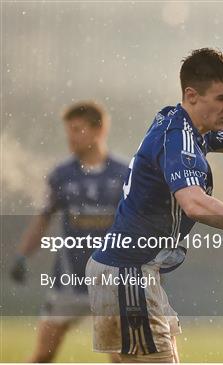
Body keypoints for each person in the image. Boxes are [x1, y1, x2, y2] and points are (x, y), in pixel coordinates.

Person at [85, 48, 223, 363]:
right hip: (129, 274)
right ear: (191, 95)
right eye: (222, 98)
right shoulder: (178, 138)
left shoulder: (185, 124)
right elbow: (194, 204)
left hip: (127, 271)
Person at [10, 101, 127, 362]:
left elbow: (140, 224)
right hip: (68, 281)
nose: (70, 137)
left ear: (99, 130)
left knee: (120, 358)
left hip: (111, 283)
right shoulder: (62, 175)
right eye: (68, 131)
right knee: (42, 355)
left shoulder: (124, 174)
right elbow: (43, 219)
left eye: (77, 129)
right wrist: (22, 255)